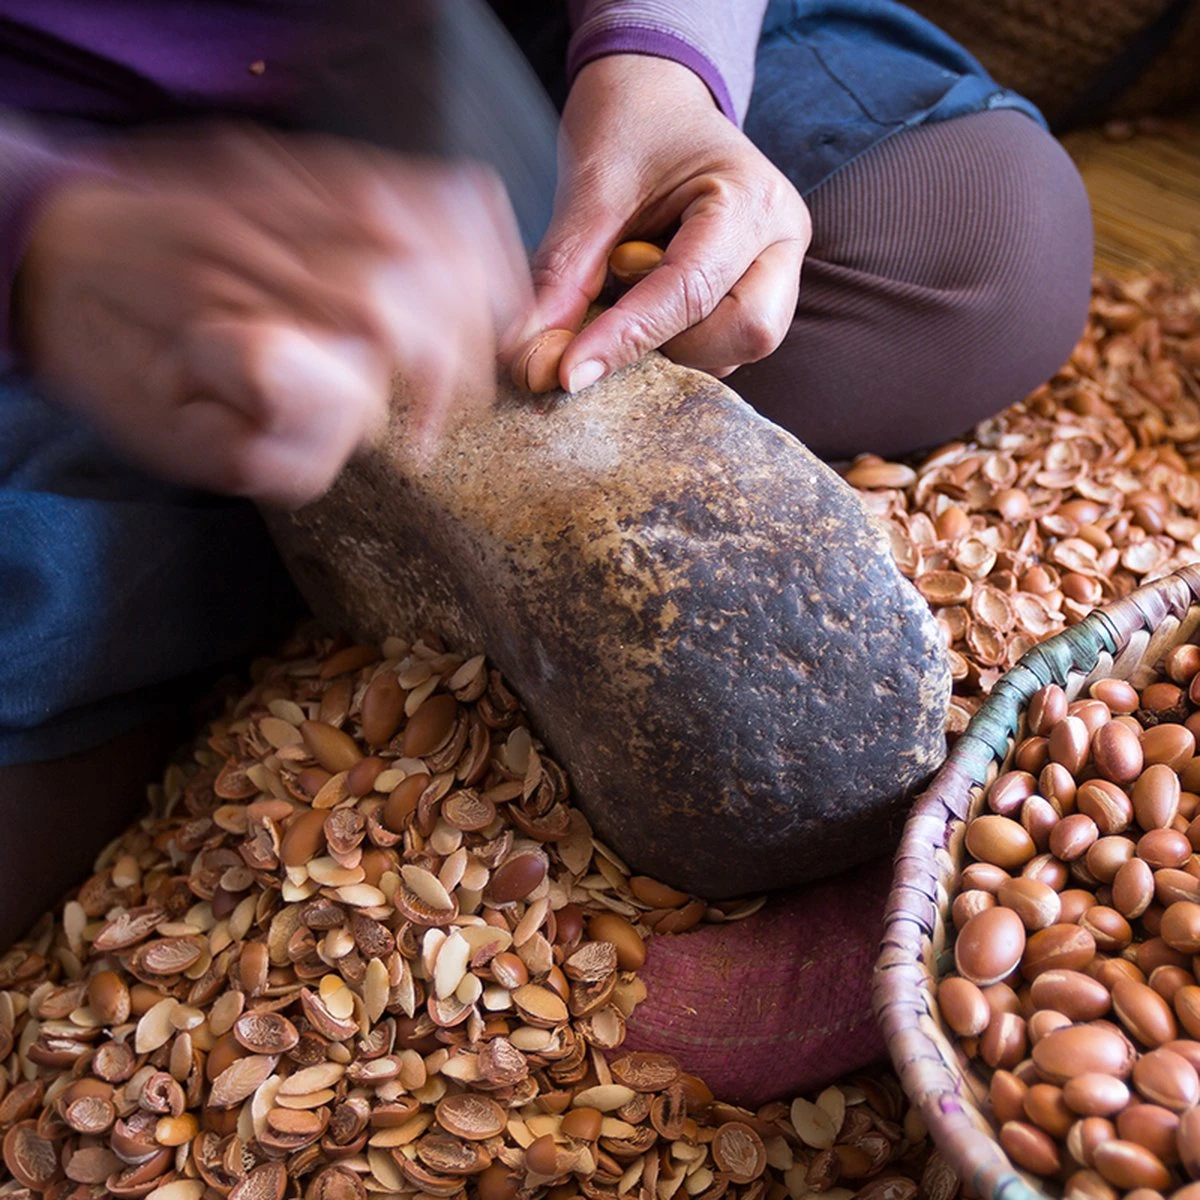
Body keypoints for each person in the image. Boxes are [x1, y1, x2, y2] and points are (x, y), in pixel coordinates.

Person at [0, 0, 1093, 1100]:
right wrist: (47, 240)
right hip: (66, 154)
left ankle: (328, 460)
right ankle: (299, 461)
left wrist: (665, 63)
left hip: (505, 55)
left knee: (984, 240)